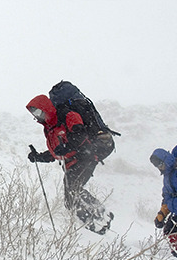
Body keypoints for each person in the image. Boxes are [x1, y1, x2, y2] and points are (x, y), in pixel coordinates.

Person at [26, 94, 114, 234]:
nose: (37, 116)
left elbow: (80, 136)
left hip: (85, 157)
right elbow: (55, 153)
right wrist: (38, 157)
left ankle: (95, 223)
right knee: (70, 198)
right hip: (71, 163)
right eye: (34, 113)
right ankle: (100, 217)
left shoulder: (68, 116)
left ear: (46, 108)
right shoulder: (49, 128)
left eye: (38, 111)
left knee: (73, 190)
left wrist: (67, 147)